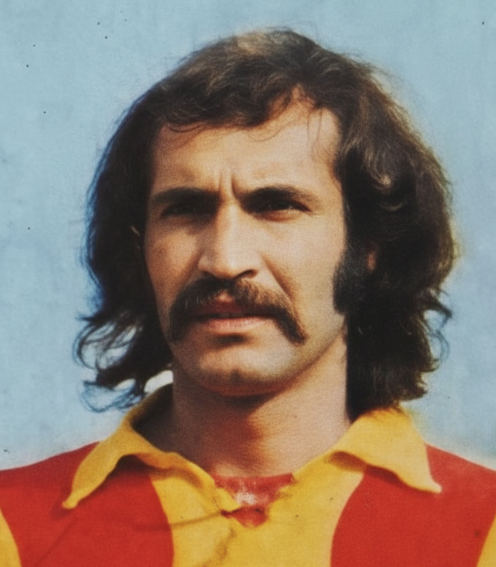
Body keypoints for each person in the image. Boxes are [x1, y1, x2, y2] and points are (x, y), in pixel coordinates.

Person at [1, 29, 495, 567]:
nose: (225, 259)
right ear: (140, 246)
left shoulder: (482, 533)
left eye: (276, 206)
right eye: (186, 209)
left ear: (369, 245)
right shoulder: (14, 530)